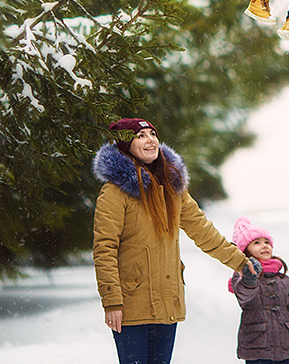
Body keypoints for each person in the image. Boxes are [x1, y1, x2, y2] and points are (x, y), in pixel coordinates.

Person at [93, 117, 259, 364]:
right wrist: (112, 301)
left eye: (152, 133)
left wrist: (240, 262)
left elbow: (203, 231)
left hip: (167, 302)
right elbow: (104, 249)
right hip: (131, 305)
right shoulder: (115, 193)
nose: (150, 140)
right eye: (140, 136)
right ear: (125, 146)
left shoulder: (173, 186)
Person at [226, 216, 289, 364]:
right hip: (257, 350)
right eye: (256, 243)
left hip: (285, 348)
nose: (264, 246)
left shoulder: (283, 280)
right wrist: (250, 279)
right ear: (245, 250)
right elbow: (244, 297)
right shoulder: (241, 275)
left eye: (267, 242)